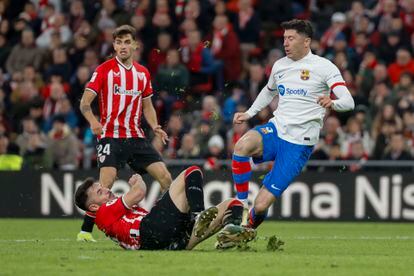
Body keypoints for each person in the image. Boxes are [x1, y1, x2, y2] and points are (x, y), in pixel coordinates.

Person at [231, 19, 355, 228]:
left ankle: (246, 227)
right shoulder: (280, 66)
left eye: (291, 38)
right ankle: (240, 206)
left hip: (299, 143)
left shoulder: (324, 67)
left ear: (306, 41)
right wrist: (250, 113)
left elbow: (349, 102)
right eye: (284, 39)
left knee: (261, 205)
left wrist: (332, 103)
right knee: (242, 145)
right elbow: (269, 90)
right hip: (278, 128)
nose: (285, 43)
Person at [78, 25, 172, 241]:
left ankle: (172, 218)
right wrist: (93, 121)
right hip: (111, 135)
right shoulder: (103, 70)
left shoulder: (143, 73)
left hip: (136, 136)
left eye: (127, 42)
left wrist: (155, 125)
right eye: (119, 42)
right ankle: (85, 232)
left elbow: (147, 107)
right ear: (113, 46)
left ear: (135, 45)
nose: (122, 46)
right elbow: (84, 103)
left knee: (165, 177)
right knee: (106, 183)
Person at [74, 166, 256, 250]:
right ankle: (199, 215)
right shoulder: (103, 212)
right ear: (93, 206)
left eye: (102, 187)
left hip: (171, 242)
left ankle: (228, 235)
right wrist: (138, 181)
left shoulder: (114, 217)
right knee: (192, 172)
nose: (106, 190)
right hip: (151, 231)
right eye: (100, 192)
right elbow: (138, 193)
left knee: (234, 204)